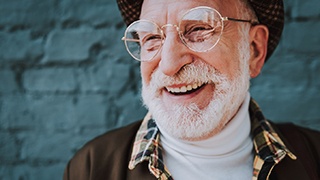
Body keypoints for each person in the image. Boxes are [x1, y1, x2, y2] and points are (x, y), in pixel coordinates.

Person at [63, 0, 320, 179]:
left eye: (199, 29)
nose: (169, 65)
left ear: (253, 49)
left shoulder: (315, 160)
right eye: (152, 38)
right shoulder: (90, 168)